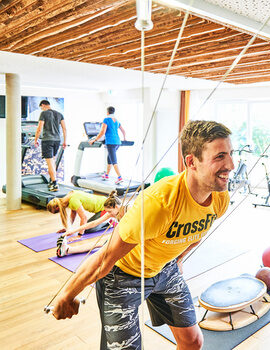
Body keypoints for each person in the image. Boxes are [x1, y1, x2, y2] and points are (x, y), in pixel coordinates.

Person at [53, 120, 234, 350]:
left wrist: (177, 260)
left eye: (230, 153)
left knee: (193, 341)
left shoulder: (220, 197)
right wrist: (67, 295)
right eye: (220, 156)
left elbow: (196, 233)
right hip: (122, 277)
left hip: (165, 270)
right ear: (191, 162)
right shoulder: (158, 205)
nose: (231, 164)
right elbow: (105, 257)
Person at [56, 191, 127, 257]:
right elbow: (94, 223)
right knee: (100, 243)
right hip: (123, 234)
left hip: (130, 238)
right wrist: (73, 230)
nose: (108, 214)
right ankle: (67, 250)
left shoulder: (128, 210)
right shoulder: (113, 212)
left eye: (109, 211)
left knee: (107, 245)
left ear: (116, 207)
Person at [34, 100, 67, 191]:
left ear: (43, 105)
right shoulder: (60, 114)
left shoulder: (43, 113)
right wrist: (65, 141)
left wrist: (36, 139)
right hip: (57, 140)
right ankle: (52, 181)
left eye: (41, 107)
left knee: (50, 164)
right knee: (52, 161)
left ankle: (55, 184)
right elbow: (64, 129)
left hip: (47, 141)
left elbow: (39, 128)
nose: (41, 109)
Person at [89, 106, 126, 184]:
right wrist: (124, 138)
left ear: (107, 112)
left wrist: (94, 140)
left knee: (114, 161)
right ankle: (106, 175)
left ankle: (120, 177)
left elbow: (102, 132)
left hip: (111, 142)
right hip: (118, 142)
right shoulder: (116, 120)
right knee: (109, 158)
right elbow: (123, 130)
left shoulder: (106, 119)